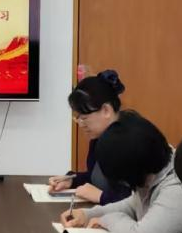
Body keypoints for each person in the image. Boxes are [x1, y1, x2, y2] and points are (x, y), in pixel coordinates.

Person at [47, 70, 127, 205]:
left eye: (84, 118)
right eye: (77, 118)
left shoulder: (129, 142)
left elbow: (136, 200)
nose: (81, 124)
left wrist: (101, 197)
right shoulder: (98, 138)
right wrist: (72, 180)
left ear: (106, 110)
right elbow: (96, 178)